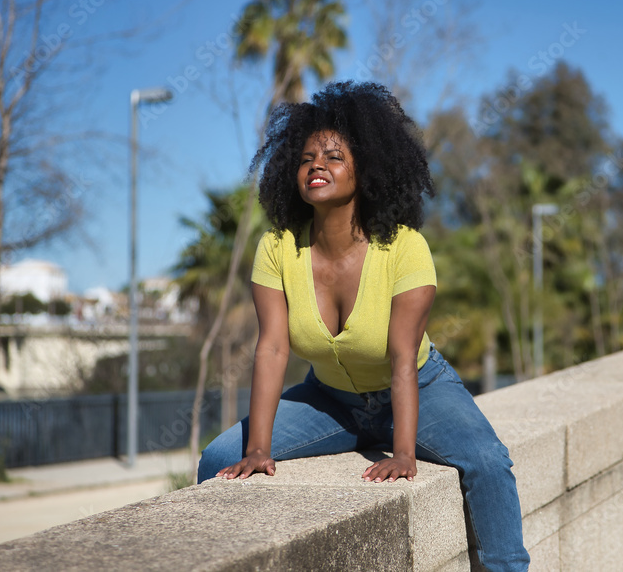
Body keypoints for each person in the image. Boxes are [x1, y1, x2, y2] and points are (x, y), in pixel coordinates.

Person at [197, 81, 530, 571]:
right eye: (307, 157)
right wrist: (259, 449)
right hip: (329, 400)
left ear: (367, 168)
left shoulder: (404, 247)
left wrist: (402, 453)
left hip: (419, 387)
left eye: (335, 156)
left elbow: (402, 358)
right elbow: (271, 350)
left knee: (488, 463)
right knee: (217, 460)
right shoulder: (277, 248)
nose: (317, 166)